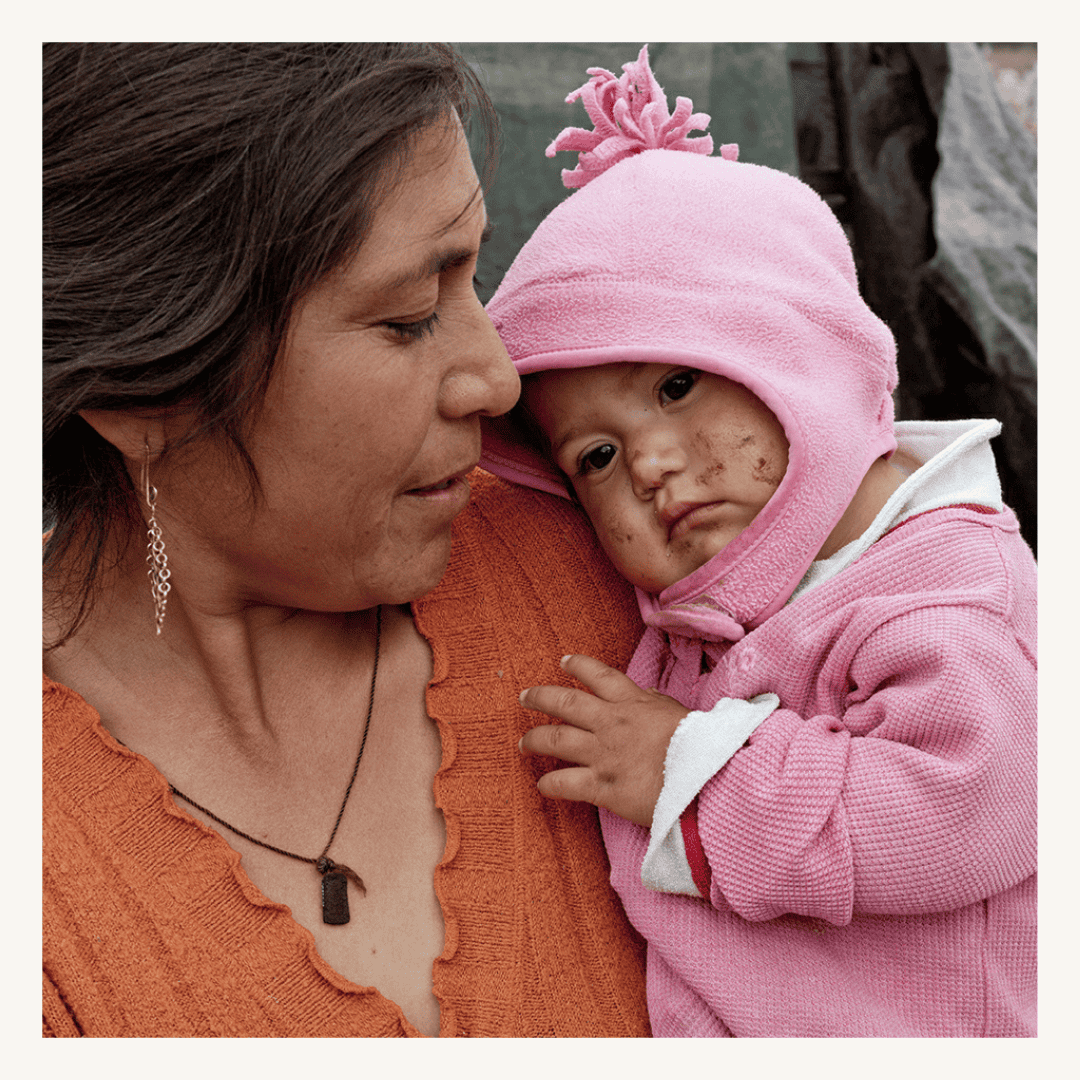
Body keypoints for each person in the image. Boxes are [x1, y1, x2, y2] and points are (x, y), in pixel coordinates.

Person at [42, 43, 652, 1038]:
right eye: (409, 316)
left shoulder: (615, 574)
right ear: (140, 391)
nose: (497, 379)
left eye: (475, 275)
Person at [479, 47, 1037, 1037]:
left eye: (677, 386)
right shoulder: (725, 601)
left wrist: (691, 773)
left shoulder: (948, 589)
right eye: (596, 457)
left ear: (802, 355)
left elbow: (970, 808)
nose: (650, 465)